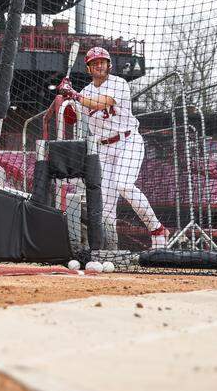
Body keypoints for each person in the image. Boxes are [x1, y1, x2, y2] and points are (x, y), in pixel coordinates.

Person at [58, 47, 169, 249]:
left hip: (128, 141)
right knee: (106, 205)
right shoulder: (86, 91)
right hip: (103, 149)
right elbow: (71, 119)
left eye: (102, 61)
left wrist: (74, 95)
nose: (99, 65)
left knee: (124, 185)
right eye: (94, 63)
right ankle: (110, 249)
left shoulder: (118, 83)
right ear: (89, 68)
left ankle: (157, 230)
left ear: (109, 65)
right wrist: (63, 97)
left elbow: (101, 103)